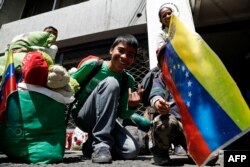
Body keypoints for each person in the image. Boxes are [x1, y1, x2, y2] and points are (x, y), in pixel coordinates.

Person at [71, 34, 143, 164]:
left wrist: (132, 106)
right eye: (121, 51)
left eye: (130, 55)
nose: (124, 57)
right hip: (83, 116)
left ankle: (90, 146)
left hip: (107, 121)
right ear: (111, 50)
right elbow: (69, 86)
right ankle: (101, 146)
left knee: (131, 150)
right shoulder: (93, 66)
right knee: (111, 82)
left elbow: (122, 114)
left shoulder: (128, 80)